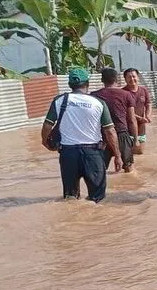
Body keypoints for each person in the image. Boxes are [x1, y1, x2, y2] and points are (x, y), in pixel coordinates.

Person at [41, 67, 122, 202]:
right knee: (98, 199)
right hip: (93, 154)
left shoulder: (59, 100)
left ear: (69, 84)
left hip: (68, 154)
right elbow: (110, 131)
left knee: (70, 198)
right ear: (87, 84)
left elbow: (47, 125)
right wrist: (117, 155)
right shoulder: (98, 103)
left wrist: (44, 141)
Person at [93, 68, 138, 173]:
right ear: (117, 79)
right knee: (129, 168)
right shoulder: (126, 95)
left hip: (102, 136)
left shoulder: (94, 96)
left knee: (99, 170)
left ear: (102, 80)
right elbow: (132, 119)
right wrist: (135, 139)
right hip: (122, 134)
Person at [123, 68, 152, 154]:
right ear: (125, 79)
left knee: (140, 152)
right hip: (128, 127)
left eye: (134, 76)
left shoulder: (143, 90)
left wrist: (147, 115)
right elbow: (125, 111)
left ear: (138, 77)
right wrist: (139, 118)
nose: (132, 79)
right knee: (130, 153)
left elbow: (148, 104)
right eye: (129, 77)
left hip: (141, 126)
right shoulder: (122, 92)